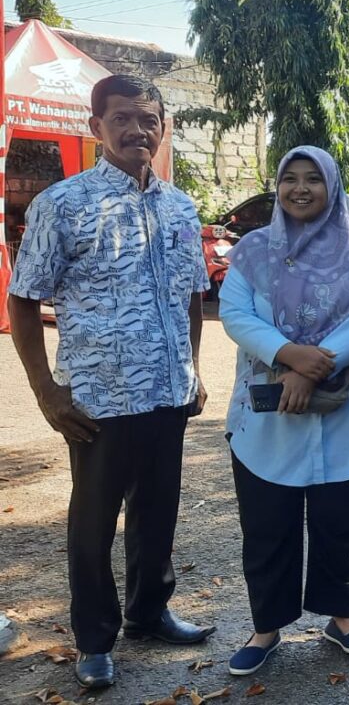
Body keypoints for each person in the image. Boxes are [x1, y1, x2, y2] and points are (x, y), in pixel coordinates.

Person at [6, 75, 215, 689]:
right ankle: (95, 640)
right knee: (94, 522)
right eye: (121, 118)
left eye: (148, 119)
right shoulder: (62, 204)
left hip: (167, 392)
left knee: (158, 513)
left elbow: (192, 295)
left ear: (162, 127)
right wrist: (46, 391)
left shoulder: (180, 205)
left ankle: (149, 612)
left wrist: (195, 370)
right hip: (99, 396)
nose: (136, 130)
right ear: (96, 127)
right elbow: (23, 301)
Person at [218, 146, 349, 675]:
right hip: (267, 416)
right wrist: (290, 357)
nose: (301, 188)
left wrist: (313, 366)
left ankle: (343, 618)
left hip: (345, 411)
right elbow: (235, 313)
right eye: (290, 178)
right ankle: (266, 628)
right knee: (268, 524)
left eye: (314, 178)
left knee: (340, 524)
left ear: (332, 185)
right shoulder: (254, 249)